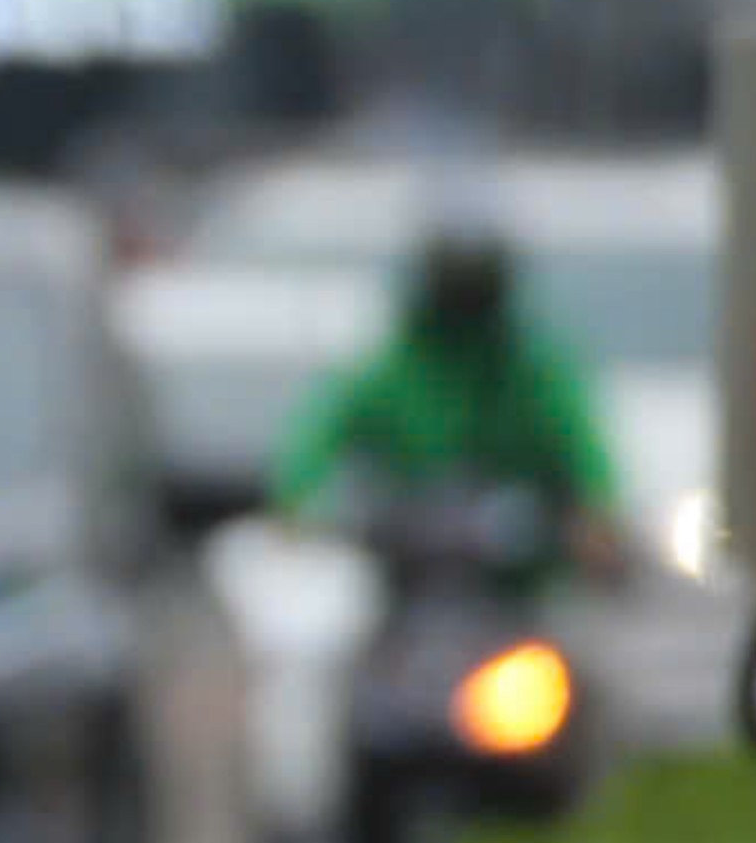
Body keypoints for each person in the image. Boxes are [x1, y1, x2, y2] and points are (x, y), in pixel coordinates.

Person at [269, 198, 628, 579]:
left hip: (518, 572)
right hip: (408, 564)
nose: (464, 304)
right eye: (456, 287)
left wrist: (599, 512)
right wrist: (297, 502)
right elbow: (322, 428)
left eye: (475, 288)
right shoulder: (395, 365)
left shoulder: (535, 368)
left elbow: (584, 444)